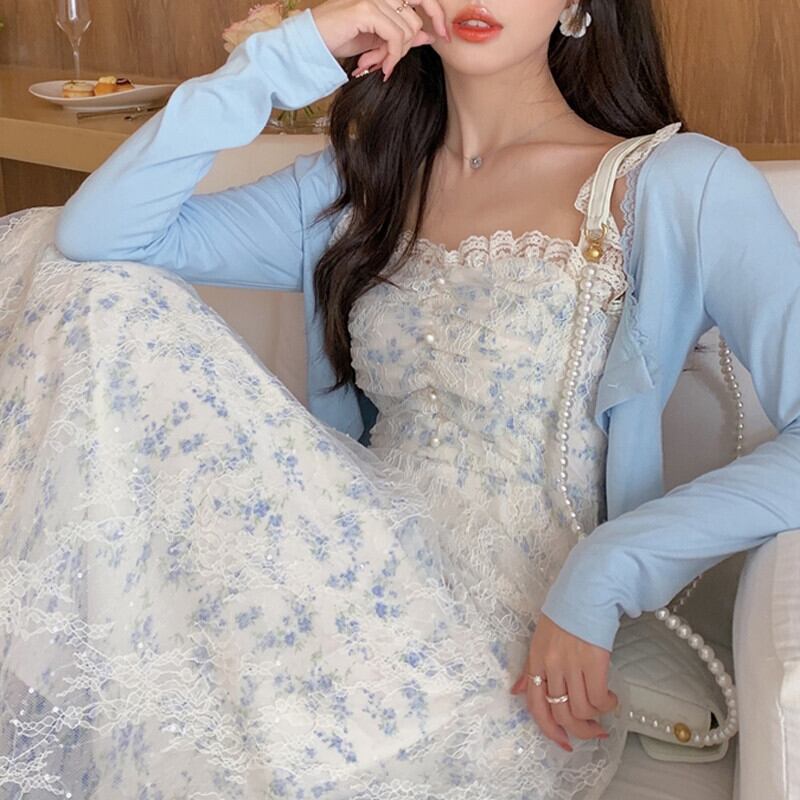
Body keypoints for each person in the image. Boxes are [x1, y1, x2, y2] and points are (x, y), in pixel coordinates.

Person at [0, 0, 798, 797]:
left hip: (503, 635)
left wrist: (609, 565)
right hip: (335, 573)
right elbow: (98, 239)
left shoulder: (675, 184)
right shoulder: (356, 184)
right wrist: (290, 54)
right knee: (87, 286)